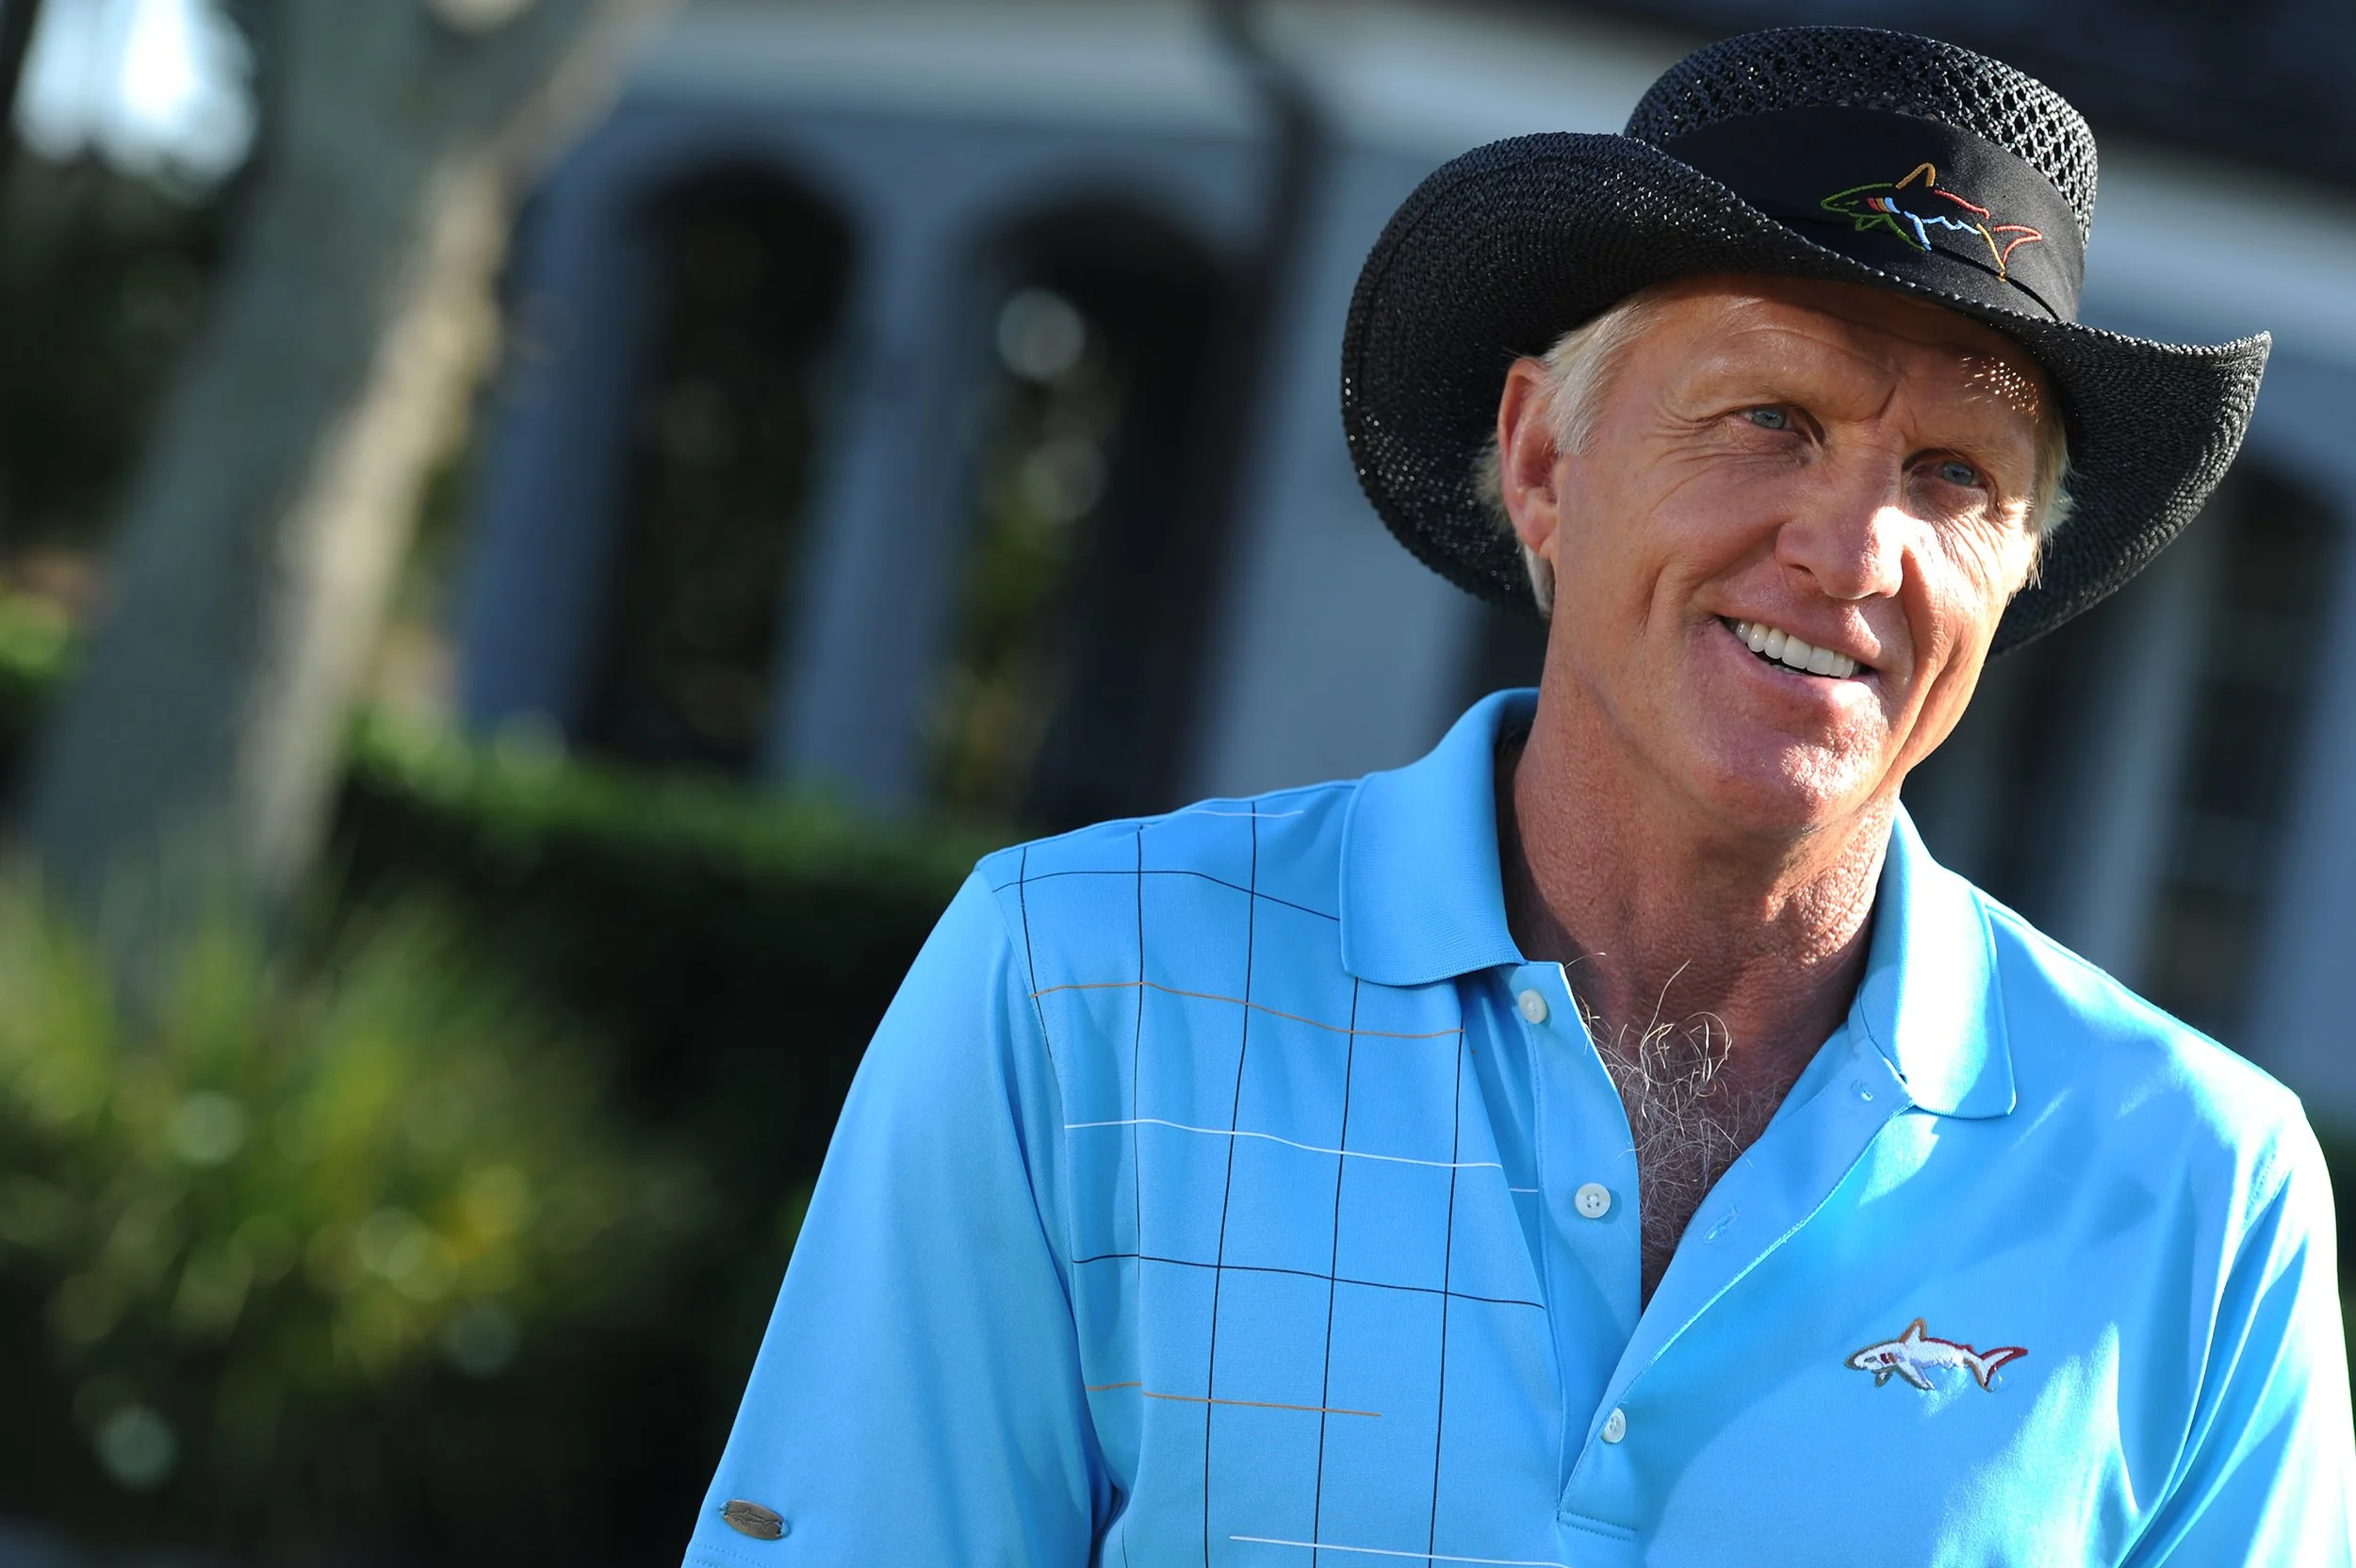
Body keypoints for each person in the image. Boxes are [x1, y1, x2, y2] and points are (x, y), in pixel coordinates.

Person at [680, 26, 2354, 1567]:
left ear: (2018, 567)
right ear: (1545, 460)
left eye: (1955, 475)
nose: (1856, 552)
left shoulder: (2202, 1189)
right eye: (1770, 416)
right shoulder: (1078, 988)